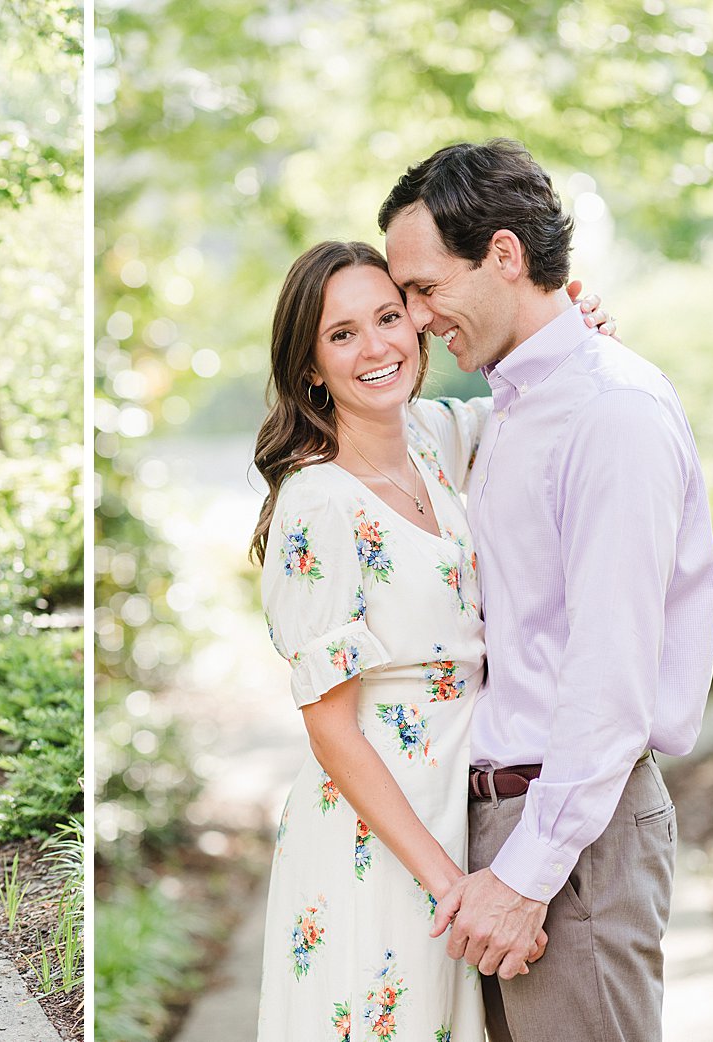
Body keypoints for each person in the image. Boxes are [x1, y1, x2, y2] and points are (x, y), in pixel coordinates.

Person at [379, 139, 713, 1042]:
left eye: (422, 289)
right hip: (501, 828)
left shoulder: (612, 412)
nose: (414, 320)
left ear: (502, 254)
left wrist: (529, 874)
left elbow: (611, 677)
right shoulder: (512, 407)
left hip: (571, 840)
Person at [251, 242, 613, 1041]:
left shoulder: (439, 440)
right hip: (379, 841)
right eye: (341, 334)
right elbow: (330, 728)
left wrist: (579, 324)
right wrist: (454, 887)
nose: (377, 347)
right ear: (310, 366)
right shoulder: (317, 503)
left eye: (388, 317)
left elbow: (544, 390)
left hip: (463, 810)